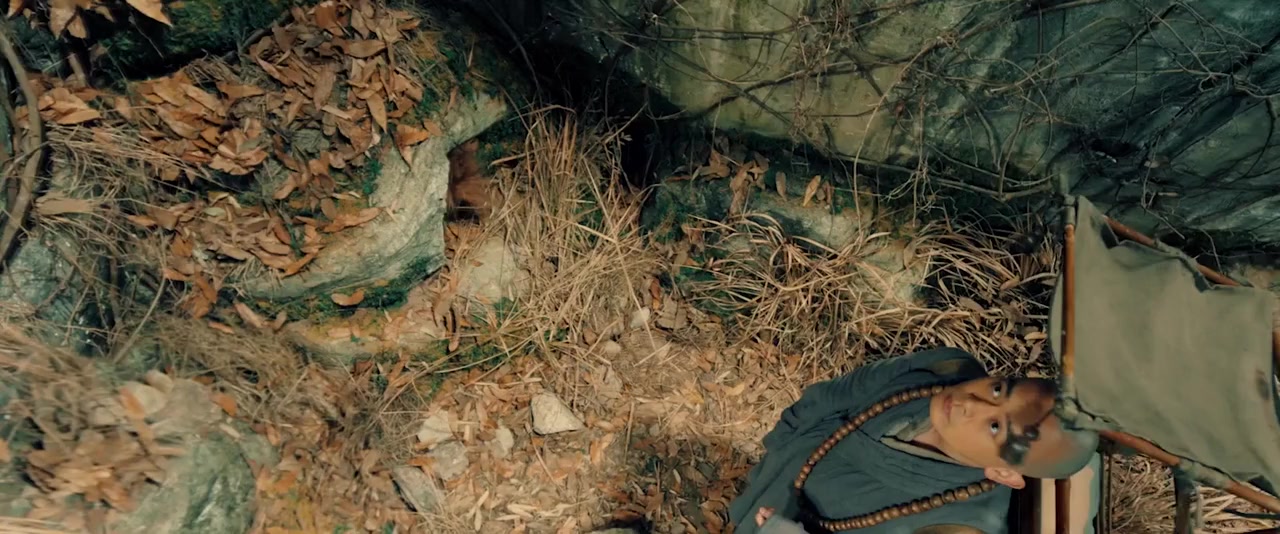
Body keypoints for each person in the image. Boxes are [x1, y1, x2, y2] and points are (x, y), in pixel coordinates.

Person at [728, 347, 1100, 534]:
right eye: (998, 390)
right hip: (787, 463)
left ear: (1003, 473)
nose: (971, 404)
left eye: (994, 428)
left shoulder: (960, 524)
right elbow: (842, 391)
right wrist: (784, 435)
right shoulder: (949, 367)